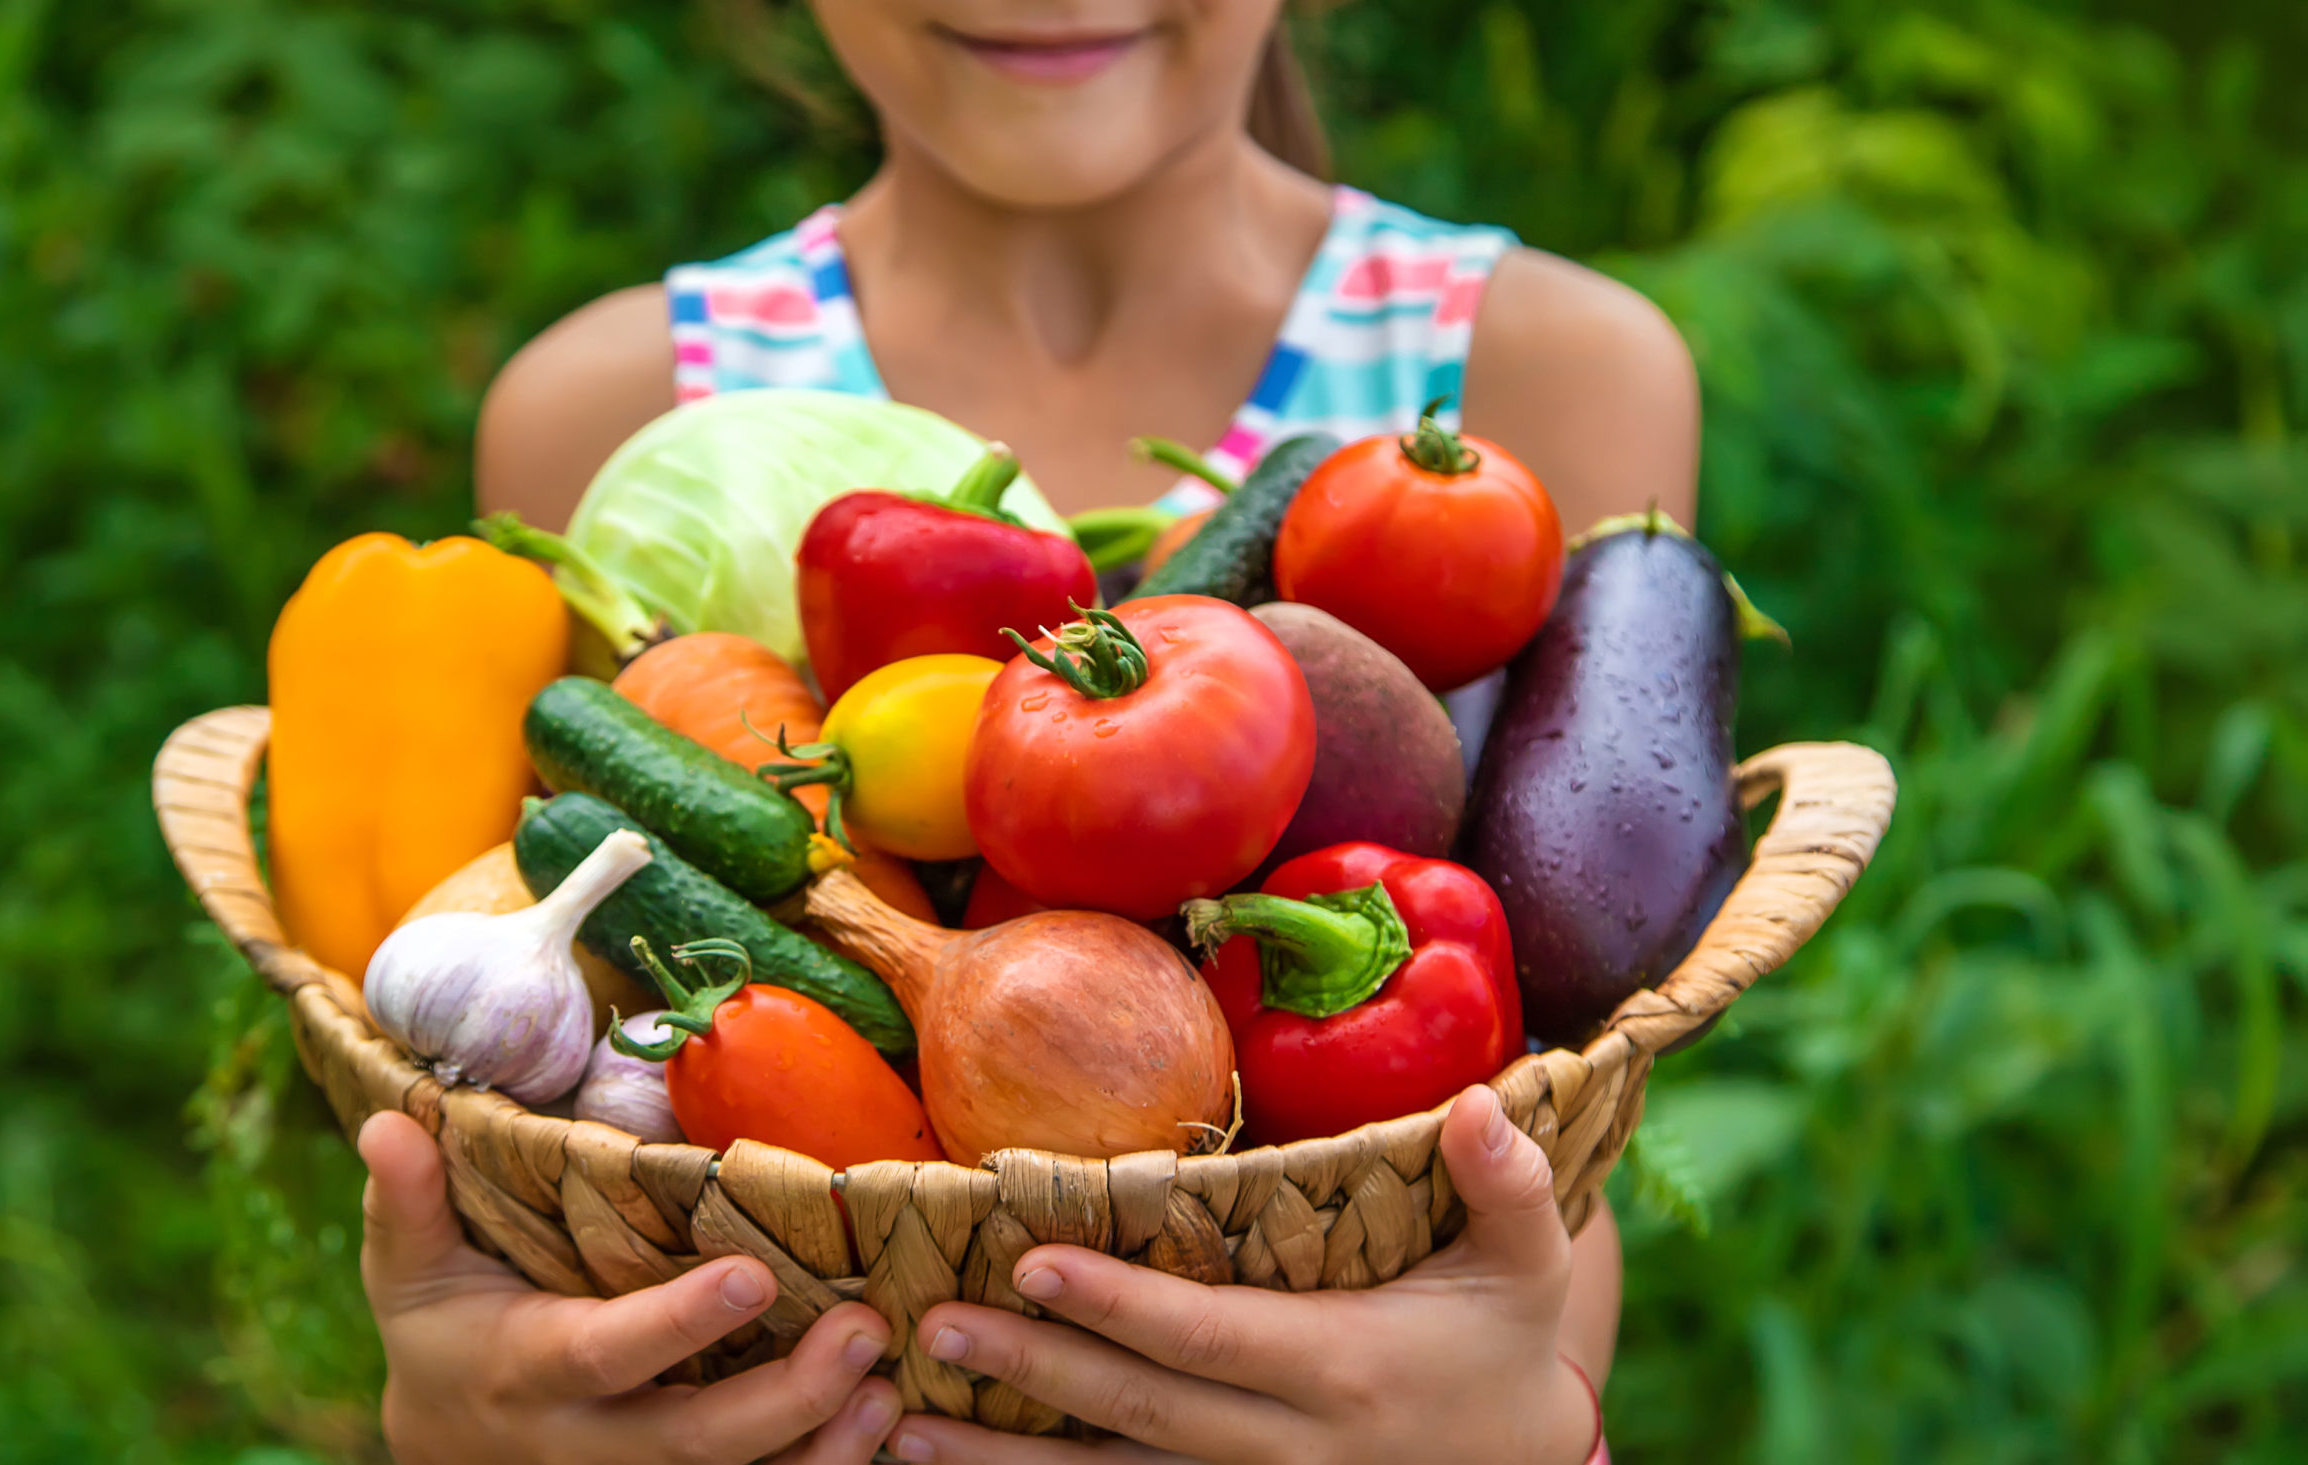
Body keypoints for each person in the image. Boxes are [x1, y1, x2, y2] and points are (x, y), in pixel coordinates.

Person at [369, 2, 1696, 1458]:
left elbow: (1569, 1125)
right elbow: (555, 1059)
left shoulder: (1545, 374)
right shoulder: (601, 409)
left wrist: (1521, 1428)